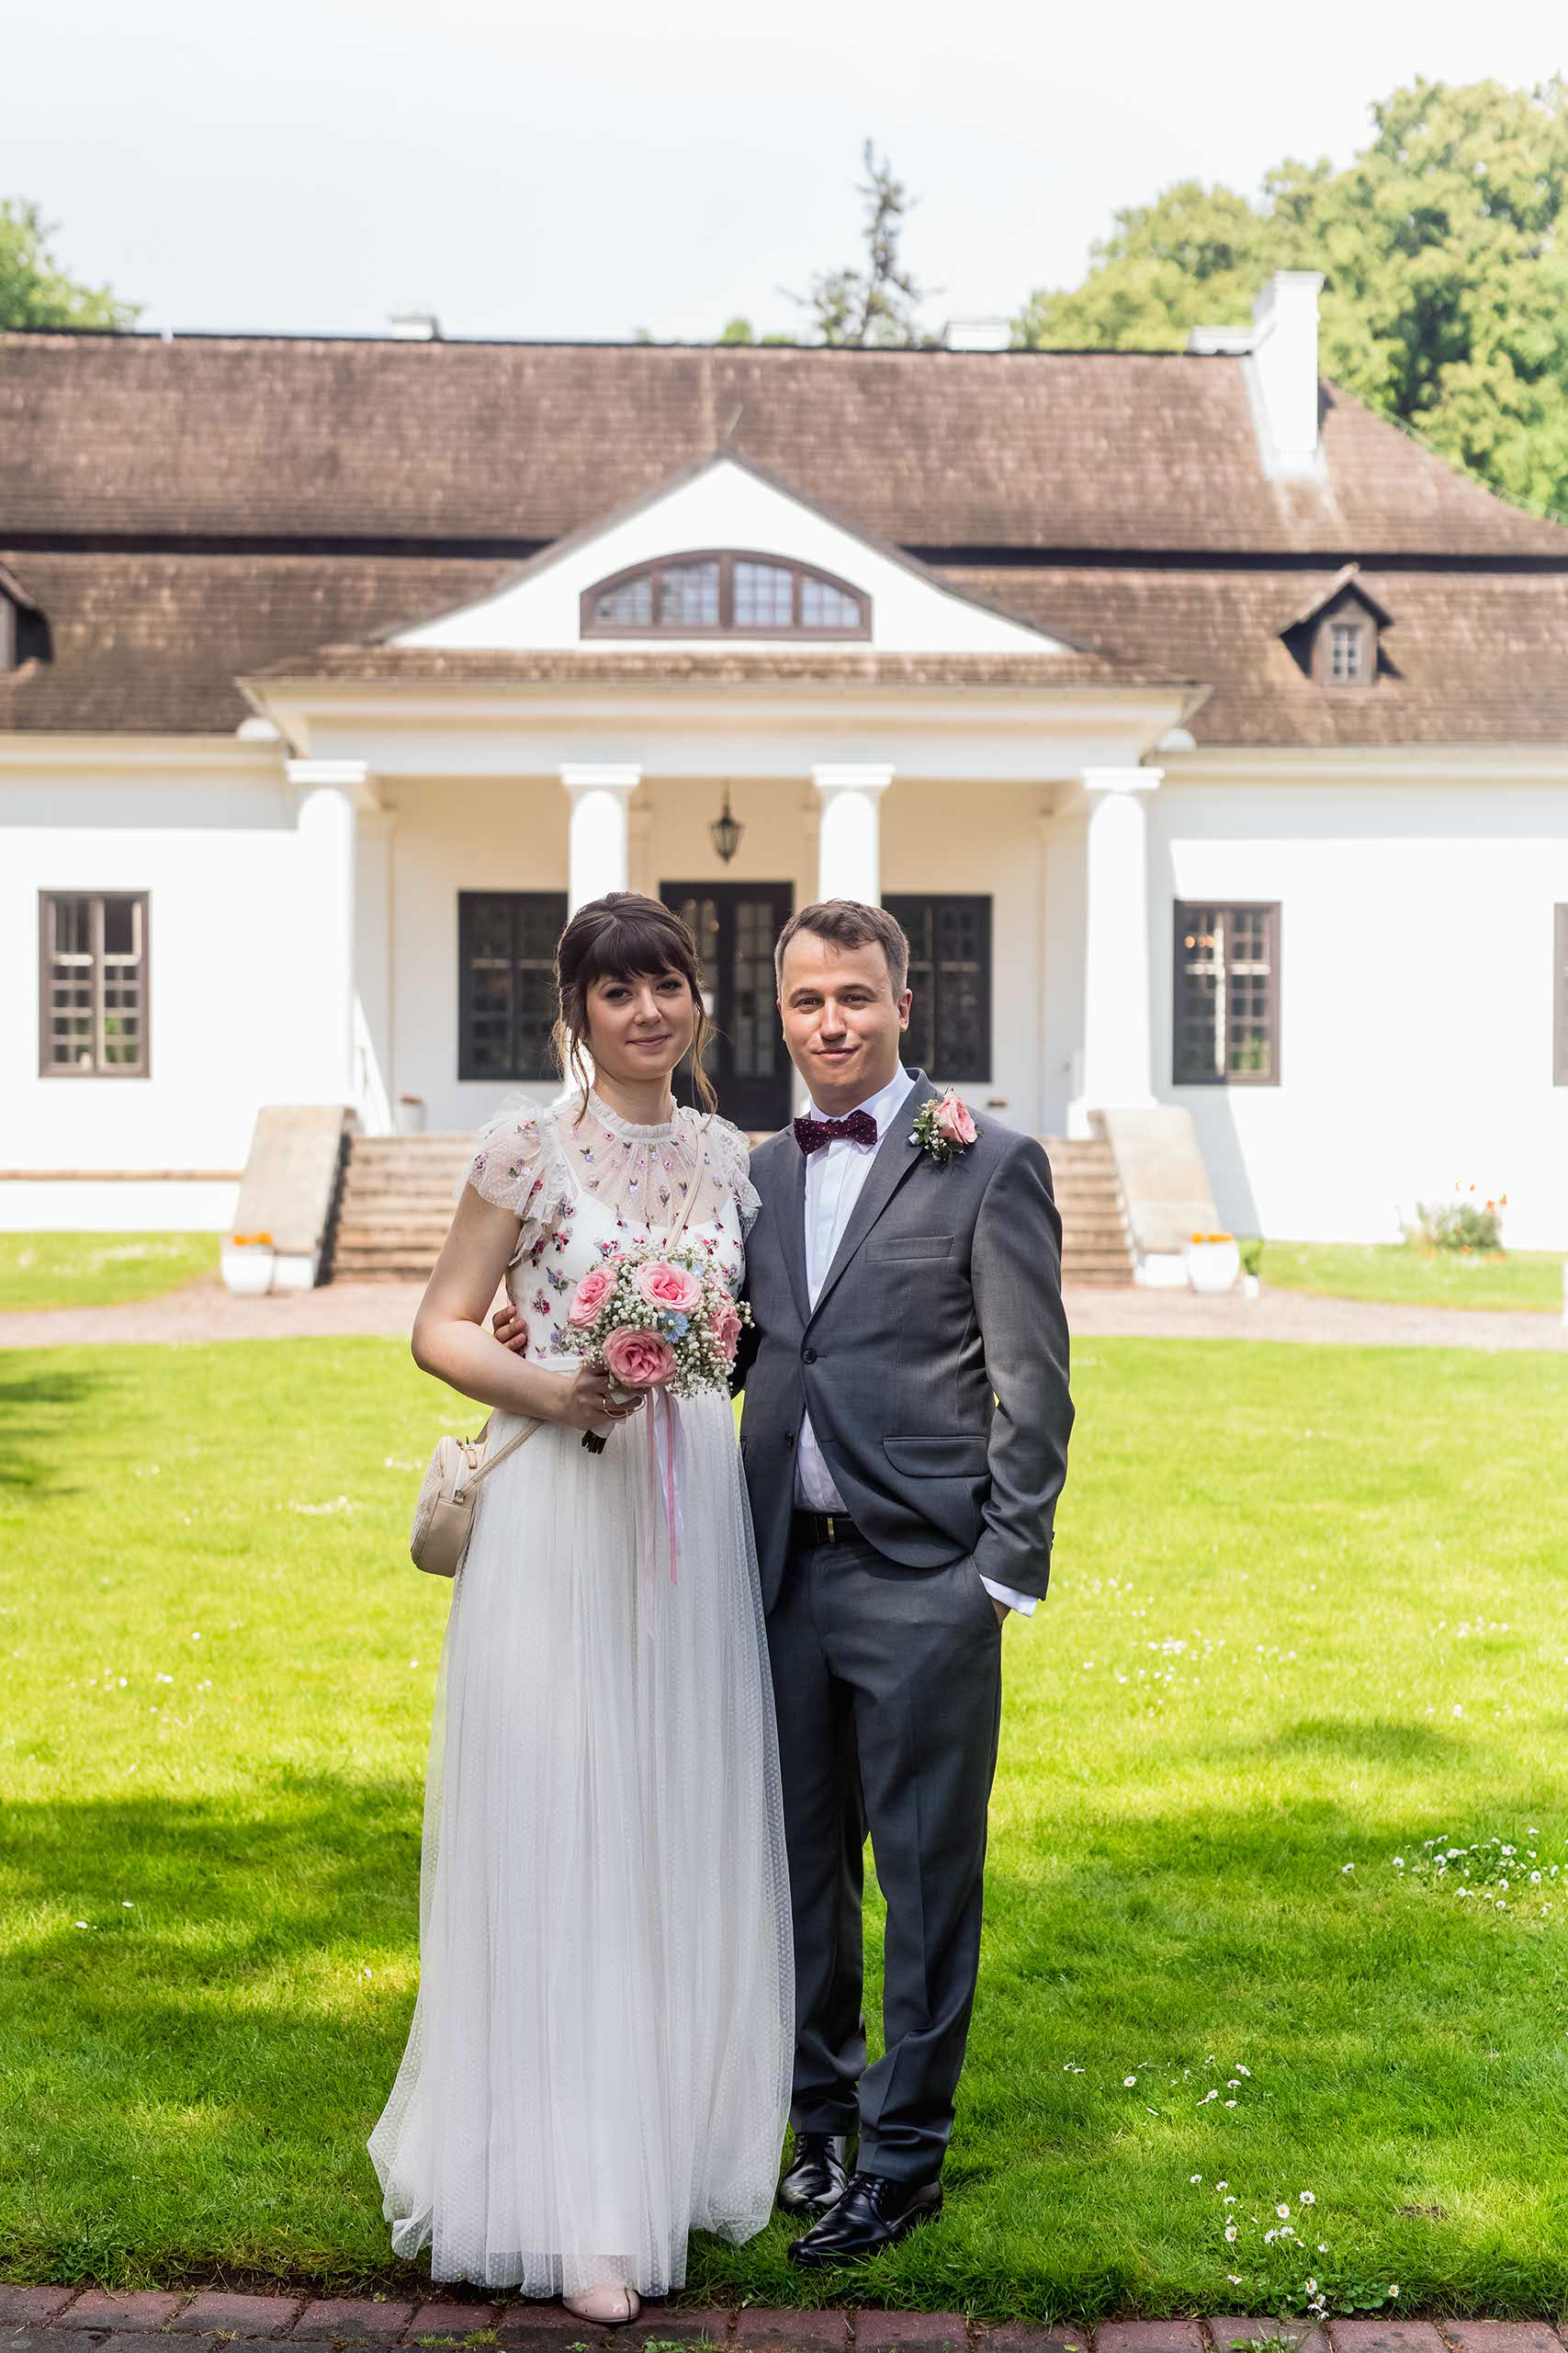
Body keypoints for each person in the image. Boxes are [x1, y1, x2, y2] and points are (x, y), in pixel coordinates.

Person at [370, 892, 791, 2325]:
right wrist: (549, 1382)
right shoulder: (524, 1148)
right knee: (572, 1822)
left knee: (672, 1820)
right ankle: (576, 2205)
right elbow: (439, 1323)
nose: (648, 1009)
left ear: (698, 998)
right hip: (561, 1511)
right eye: (618, 990)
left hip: (689, 1523)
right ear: (579, 1011)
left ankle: (666, 2152)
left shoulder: (732, 1160)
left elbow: (754, 1335)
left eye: (668, 982)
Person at [736, 898, 1073, 2265]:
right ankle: (818, 2125)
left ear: (901, 1005)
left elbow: (1034, 1389)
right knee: (799, 1871)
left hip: (926, 1577)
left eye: (855, 998)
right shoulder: (759, 1172)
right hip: (778, 1578)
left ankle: (903, 2156)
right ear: (782, 1014)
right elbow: (741, 1349)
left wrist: (999, 1572)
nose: (832, 1023)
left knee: (928, 1880)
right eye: (808, 1000)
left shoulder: (989, 1162)